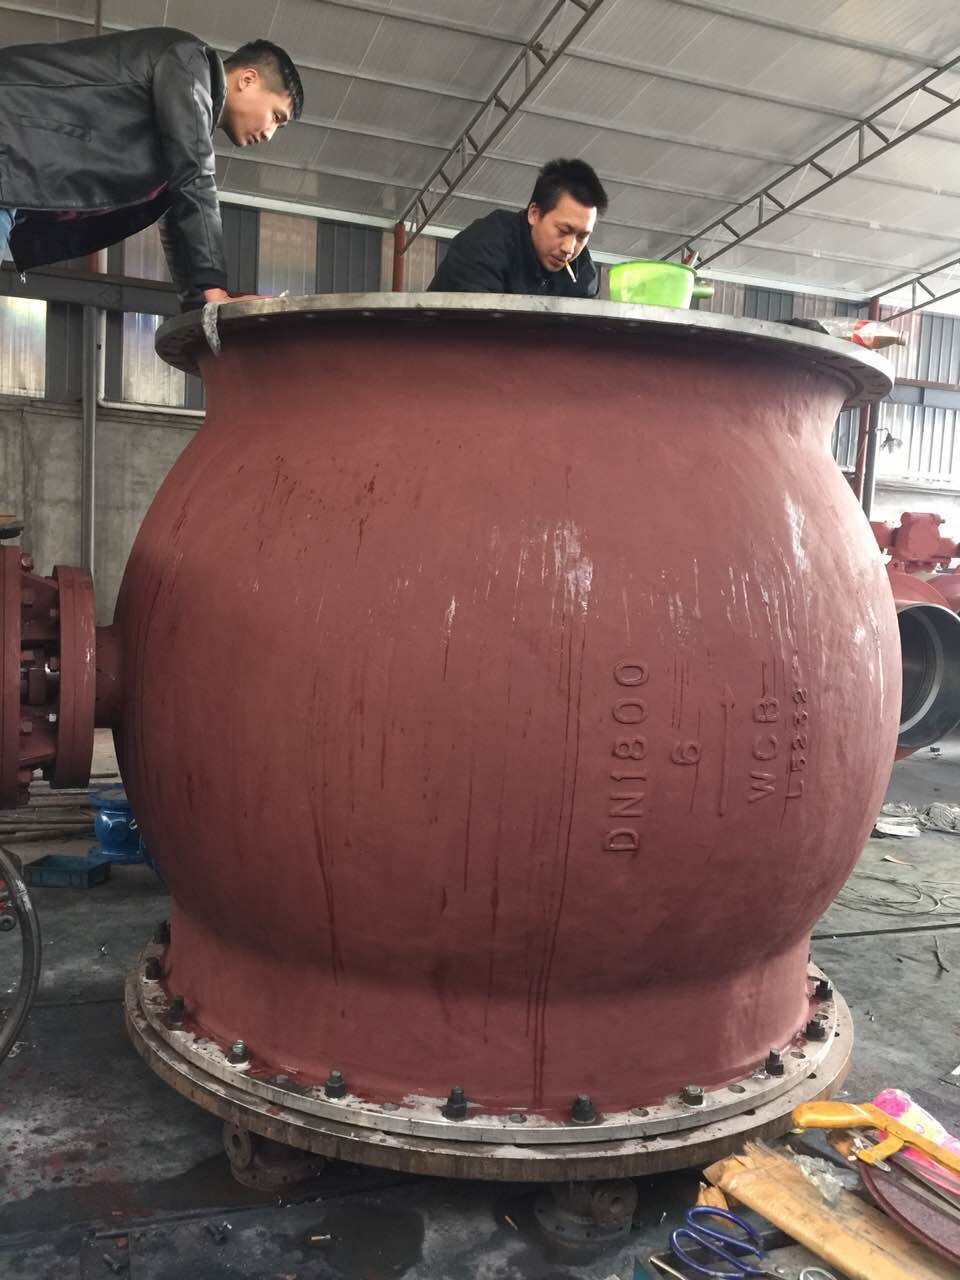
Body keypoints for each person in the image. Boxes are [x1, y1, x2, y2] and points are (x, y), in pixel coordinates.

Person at [0, 29, 303, 310]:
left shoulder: (181, 127)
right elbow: (194, 176)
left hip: (15, 172)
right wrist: (216, 291)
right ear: (248, 79)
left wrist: (202, 305)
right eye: (276, 116)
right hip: (10, 138)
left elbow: (181, 220)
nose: (269, 134)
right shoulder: (190, 63)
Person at [429, 159, 608, 298]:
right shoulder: (484, 245)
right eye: (563, 230)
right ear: (534, 214)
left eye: (582, 236)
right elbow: (479, 327)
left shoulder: (583, 271)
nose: (569, 249)